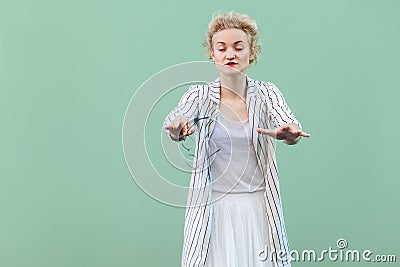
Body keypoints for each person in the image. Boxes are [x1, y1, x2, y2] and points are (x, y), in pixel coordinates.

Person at [163, 11, 310, 267]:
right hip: (213, 211)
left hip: (258, 210)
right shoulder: (198, 95)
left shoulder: (266, 93)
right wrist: (177, 128)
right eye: (222, 48)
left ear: (251, 52)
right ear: (212, 53)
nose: (230, 54)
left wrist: (289, 133)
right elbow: (180, 116)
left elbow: (288, 122)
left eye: (238, 47)